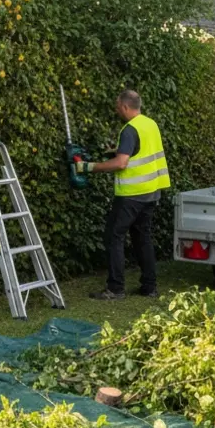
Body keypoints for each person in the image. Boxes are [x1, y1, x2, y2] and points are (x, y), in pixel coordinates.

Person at [74, 89, 170, 300]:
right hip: (151, 192)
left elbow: (121, 163)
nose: (117, 110)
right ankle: (149, 287)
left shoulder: (129, 130)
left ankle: (116, 288)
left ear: (126, 107)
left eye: (118, 106)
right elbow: (140, 152)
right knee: (142, 237)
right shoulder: (150, 124)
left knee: (113, 237)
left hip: (132, 195)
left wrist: (88, 167)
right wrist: (116, 151)